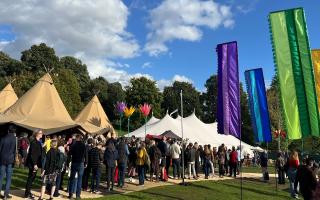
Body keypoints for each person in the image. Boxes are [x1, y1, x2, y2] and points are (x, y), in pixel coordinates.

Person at [25, 129, 43, 199]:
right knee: (31, 178)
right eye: (40, 133)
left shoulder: (38, 142)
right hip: (33, 164)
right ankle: (27, 193)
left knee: (32, 178)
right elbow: (32, 154)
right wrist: (35, 164)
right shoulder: (34, 142)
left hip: (35, 163)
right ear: (37, 134)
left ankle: (28, 191)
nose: (42, 134)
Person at [68, 134, 88, 199]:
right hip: (81, 163)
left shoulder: (74, 145)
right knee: (80, 179)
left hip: (74, 162)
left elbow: (69, 154)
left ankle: (70, 194)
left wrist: (68, 162)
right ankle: (78, 195)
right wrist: (86, 162)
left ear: (76, 138)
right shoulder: (83, 146)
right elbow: (86, 155)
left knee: (72, 179)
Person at [0, 125, 17, 200]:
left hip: (2, 160)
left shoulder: (3, 138)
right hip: (10, 160)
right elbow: (15, 150)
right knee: (8, 178)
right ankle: (6, 195)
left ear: (8, 130)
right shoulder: (15, 139)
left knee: (1, 177)